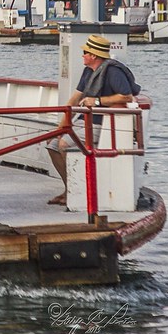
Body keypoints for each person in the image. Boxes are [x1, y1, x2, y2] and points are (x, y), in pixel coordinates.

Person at [45, 35, 140, 206]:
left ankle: (79, 191)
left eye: (85, 52)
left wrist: (97, 101)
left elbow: (126, 96)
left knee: (64, 145)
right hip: (84, 120)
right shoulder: (89, 71)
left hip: (101, 124)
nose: (82, 55)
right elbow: (75, 98)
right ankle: (70, 189)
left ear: (93, 55)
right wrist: (60, 128)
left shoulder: (113, 71)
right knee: (52, 144)